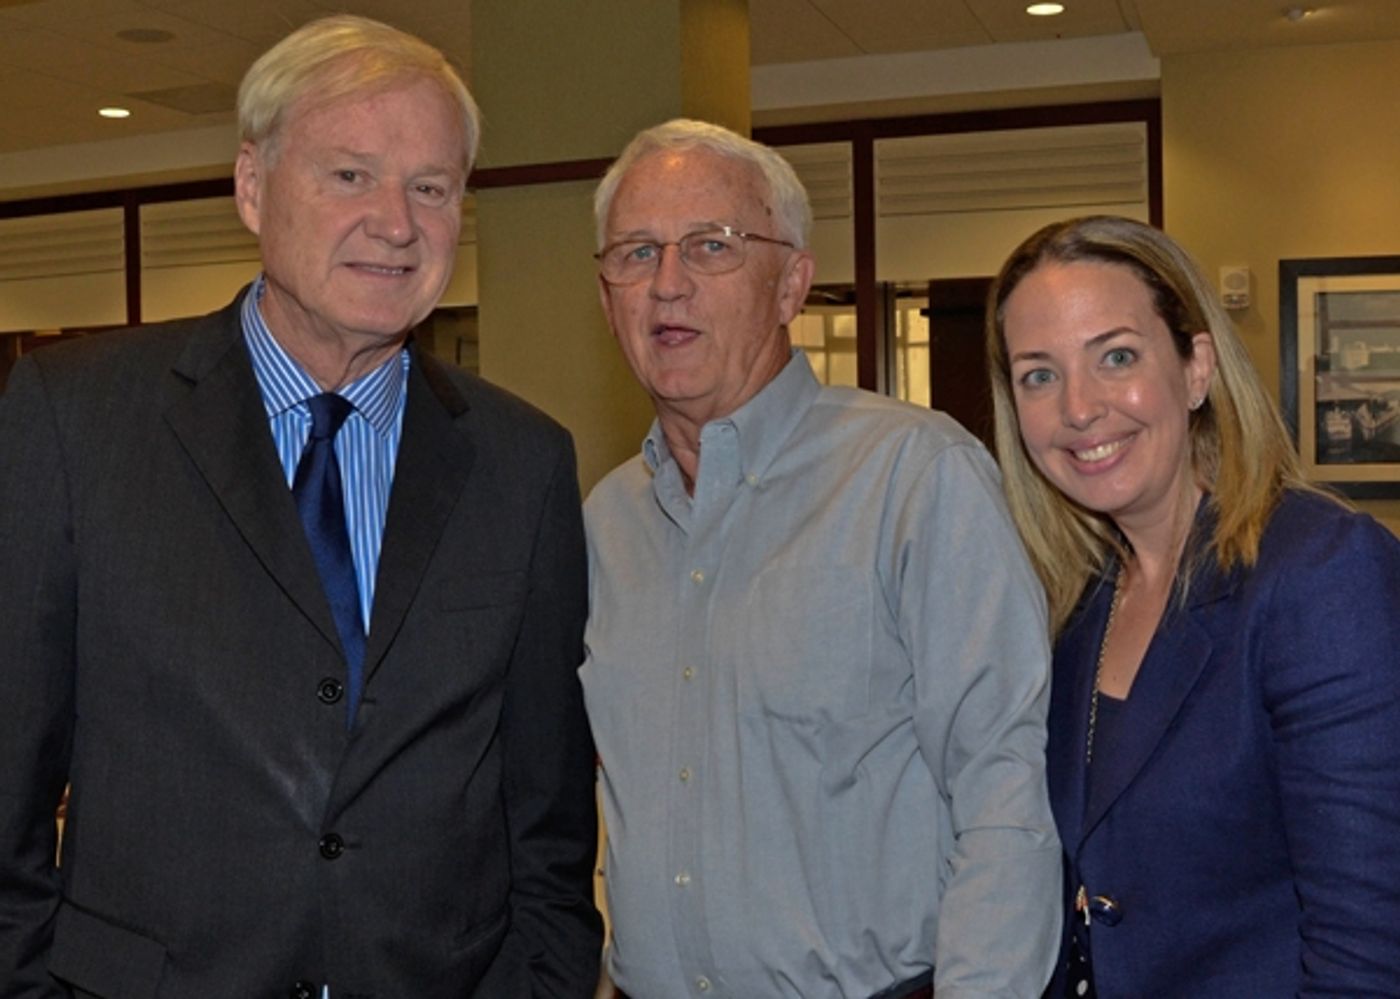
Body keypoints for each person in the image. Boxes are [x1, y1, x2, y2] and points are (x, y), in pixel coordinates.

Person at [0, 15, 602, 997]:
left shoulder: (522, 461)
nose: (397, 223)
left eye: (431, 187)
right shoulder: (74, 419)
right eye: (350, 175)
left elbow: (546, 817)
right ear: (251, 186)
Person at [582, 118, 1061, 999]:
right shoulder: (603, 524)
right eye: (636, 252)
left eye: (711, 246)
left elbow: (1004, 794)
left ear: (790, 282)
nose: (668, 284)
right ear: (607, 294)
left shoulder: (914, 479)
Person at [986, 214, 1400, 996]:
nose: (1079, 407)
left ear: (1197, 366)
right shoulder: (1074, 598)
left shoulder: (1319, 572)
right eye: (1039, 373)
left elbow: (1369, 952)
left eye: (1116, 356)